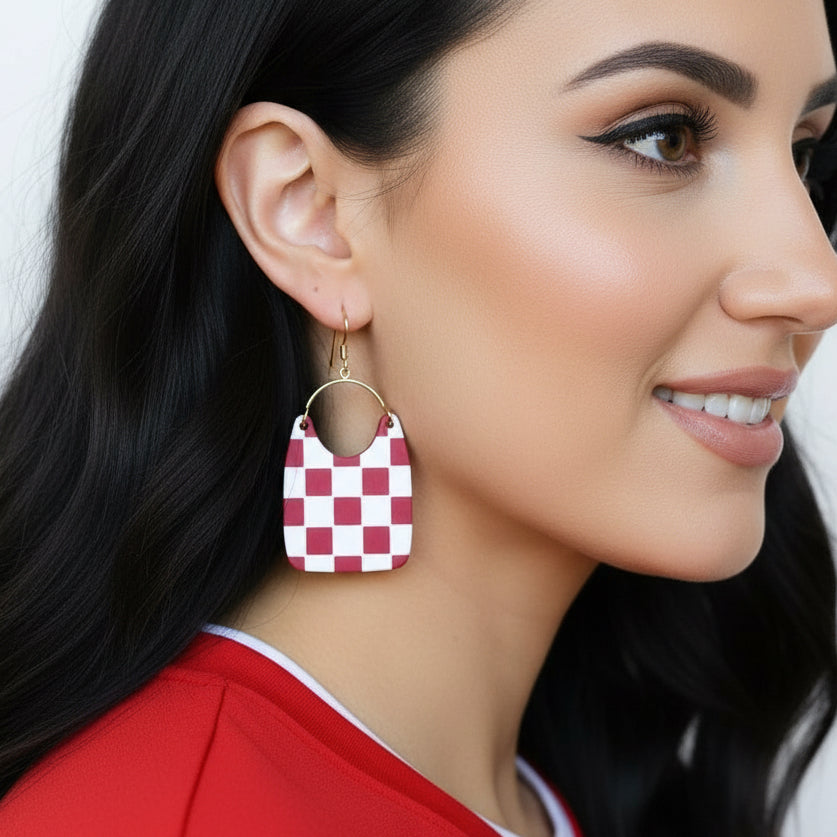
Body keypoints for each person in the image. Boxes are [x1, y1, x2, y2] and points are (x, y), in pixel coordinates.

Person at [1, 0, 837, 834]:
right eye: (663, 138)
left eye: (804, 156)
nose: (814, 281)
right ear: (310, 212)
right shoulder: (153, 813)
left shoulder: (583, 789)